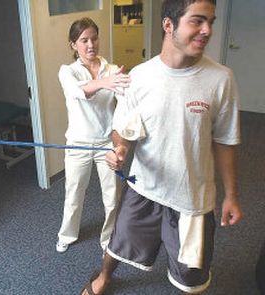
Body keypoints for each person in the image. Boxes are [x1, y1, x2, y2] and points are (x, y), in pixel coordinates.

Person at [81, 0, 243, 294]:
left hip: (192, 198)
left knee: (192, 278)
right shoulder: (140, 76)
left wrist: (231, 195)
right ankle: (104, 278)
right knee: (119, 244)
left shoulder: (221, 79)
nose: (207, 31)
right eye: (197, 21)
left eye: (211, 22)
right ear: (169, 25)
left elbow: (225, 140)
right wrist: (121, 150)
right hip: (145, 187)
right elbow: (123, 130)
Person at [56, 17, 131, 253]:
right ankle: (67, 235)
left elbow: (125, 106)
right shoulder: (68, 72)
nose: (91, 44)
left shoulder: (112, 70)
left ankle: (108, 240)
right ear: (73, 45)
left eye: (94, 38)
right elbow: (80, 93)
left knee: (112, 198)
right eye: (84, 40)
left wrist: (124, 88)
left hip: (106, 144)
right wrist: (105, 82)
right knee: (74, 194)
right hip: (77, 144)